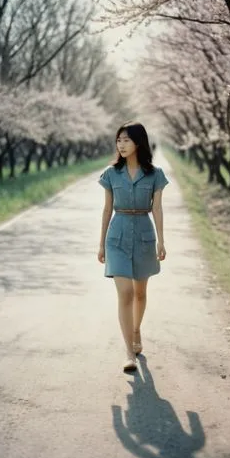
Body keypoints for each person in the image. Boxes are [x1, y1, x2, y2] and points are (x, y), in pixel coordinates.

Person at [97, 121, 169, 372]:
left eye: (126, 140)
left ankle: (137, 330)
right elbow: (107, 209)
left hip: (144, 235)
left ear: (138, 142)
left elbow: (157, 208)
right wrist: (101, 245)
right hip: (116, 236)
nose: (121, 144)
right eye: (118, 140)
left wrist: (161, 240)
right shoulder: (110, 173)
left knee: (140, 293)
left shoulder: (155, 174)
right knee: (125, 293)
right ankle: (129, 352)